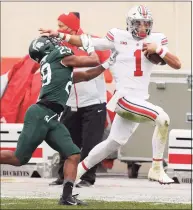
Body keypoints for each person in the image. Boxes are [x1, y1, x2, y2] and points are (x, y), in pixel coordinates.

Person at [39, 4, 181, 185]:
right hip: (123, 98)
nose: (143, 27)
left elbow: (176, 64)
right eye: (138, 23)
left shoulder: (157, 39)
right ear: (130, 23)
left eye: (146, 23)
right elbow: (86, 41)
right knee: (162, 118)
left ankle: (77, 172)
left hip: (139, 100)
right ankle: (156, 168)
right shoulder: (118, 36)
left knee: (112, 143)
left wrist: (158, 49)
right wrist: (59, 34)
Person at [0, 35, 117, 205]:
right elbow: (92, 61)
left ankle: (66, 196)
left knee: (73, 154)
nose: (57, 44)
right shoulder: (58, 57)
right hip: (41, 114)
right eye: (51, 43)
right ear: (47, 49)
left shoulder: (57, 66)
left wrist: (108, 64)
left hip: (52, 117)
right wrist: (89, 46)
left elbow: (85, 75)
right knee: (19, 159)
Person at [49, 12, 110, 187]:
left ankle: (87, 178)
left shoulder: (92, 41)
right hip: (69, 102)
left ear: (72, 27)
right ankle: (64, 176)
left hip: (93, 103)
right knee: (66, 141)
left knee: (91, 143)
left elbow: (106, 63)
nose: (58, 29)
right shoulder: (60, 44)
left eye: (61, 26)